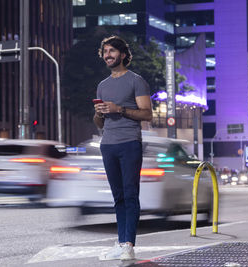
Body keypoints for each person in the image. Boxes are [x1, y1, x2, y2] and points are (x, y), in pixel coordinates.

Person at [93, 35, 152, 261]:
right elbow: (99, 124)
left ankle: (129, 244)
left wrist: (120, 109)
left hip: (129, 144)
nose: (108, 55)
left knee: (130, 194)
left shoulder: (137, 81)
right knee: (117, 196)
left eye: (112, 51)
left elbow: (147, 114)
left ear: (123, 55)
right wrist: (99, 114)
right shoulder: (102, 86)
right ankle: (120, 242)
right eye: (105, 51)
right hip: (108, 145)